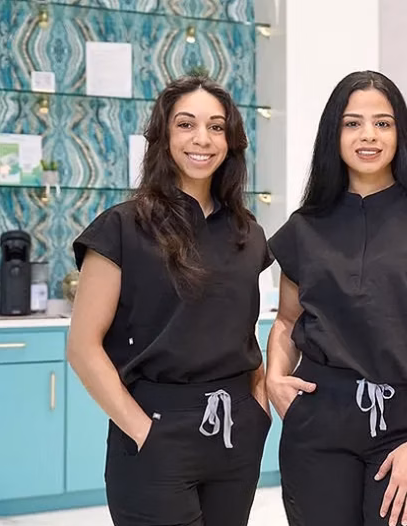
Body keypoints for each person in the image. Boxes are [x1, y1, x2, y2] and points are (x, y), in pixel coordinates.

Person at [265, 70, 407, 526]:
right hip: (319, 423)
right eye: (353, 123)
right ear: (333, 134)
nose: (369, 135)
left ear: (400, 134)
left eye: (383, 123)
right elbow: (286, 322)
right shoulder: (305, 228)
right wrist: (275, 375)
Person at [67, 76, 273, 526]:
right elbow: (83, 347)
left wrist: (258, 407)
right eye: (186, 124)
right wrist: (143, 431)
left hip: (236, 430)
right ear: (163, 137)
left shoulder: (248, 233)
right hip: (155, 428)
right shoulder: (121, 228)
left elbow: (242, 328)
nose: (203, 139)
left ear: (231, 142)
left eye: (217, 127)